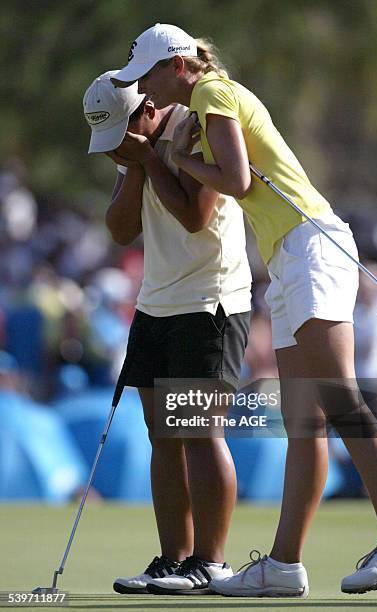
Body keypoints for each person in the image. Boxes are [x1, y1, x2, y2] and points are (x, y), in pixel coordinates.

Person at [111, 24, 377, 597]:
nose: (141, 88)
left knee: (338, 396)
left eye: (146, 75)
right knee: (306, 419)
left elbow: (237, 180)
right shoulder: (205, 96)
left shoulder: (209, 92)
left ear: (177, 65)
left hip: (312, 246)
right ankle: (284, 565)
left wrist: (175, 156)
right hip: (289, 256)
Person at [83, 71, 252, 594]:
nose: (116, 148)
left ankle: (211, 563)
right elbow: (119, 229)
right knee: (163, 436)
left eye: (121, 134)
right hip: (156, 304)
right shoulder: (138, 150)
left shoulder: (193, 126)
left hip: (210, 303)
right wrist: (135, 166)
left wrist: (151, 160)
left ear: (146, 108)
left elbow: (195, 217)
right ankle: (174, 561)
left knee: (199, 433)